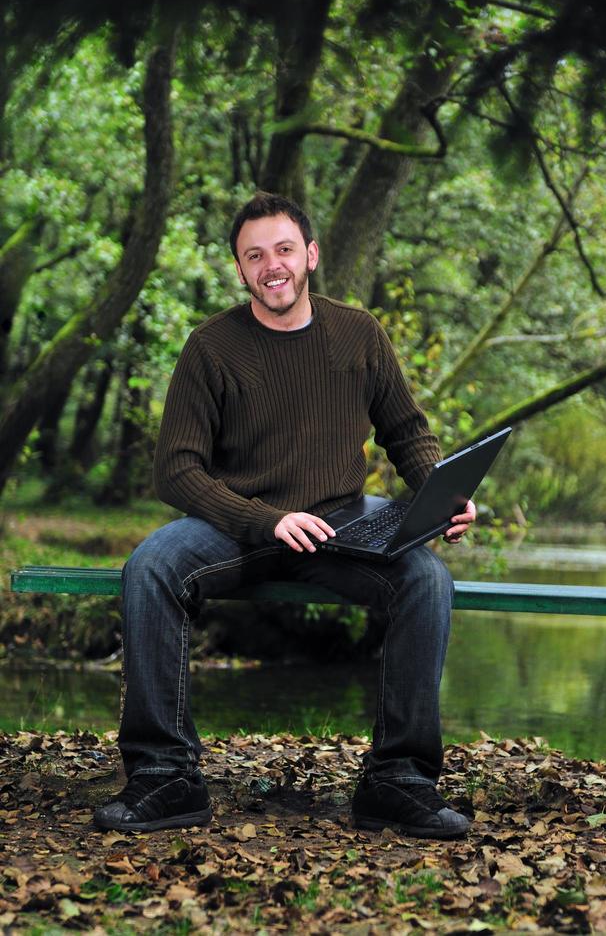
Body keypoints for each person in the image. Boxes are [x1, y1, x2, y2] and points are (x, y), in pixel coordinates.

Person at [93, 192, 476, 838]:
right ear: (240, 270)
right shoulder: (210, 348)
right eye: (255, 255)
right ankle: (165, 777)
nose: (272, 266)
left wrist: (443, 495)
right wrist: (264, 520)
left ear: (311, 255)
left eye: (284, 250)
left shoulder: (359, 335)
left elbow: (407, 433)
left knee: (426, 578)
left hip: (343, 522)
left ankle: (397, 779)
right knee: (151, 566)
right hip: (236, 524)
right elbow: (177, 471)